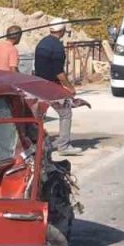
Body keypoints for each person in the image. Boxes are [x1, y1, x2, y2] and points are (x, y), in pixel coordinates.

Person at [34, 18, 80, 156]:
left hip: (39, 84)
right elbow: (58, 72)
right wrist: (70, 87)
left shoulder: (42, 43)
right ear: (62, 30)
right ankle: (64, 146)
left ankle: (37, 146)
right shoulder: (57, 47)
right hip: (51, 87)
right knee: (65, 113)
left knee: (39, 117)